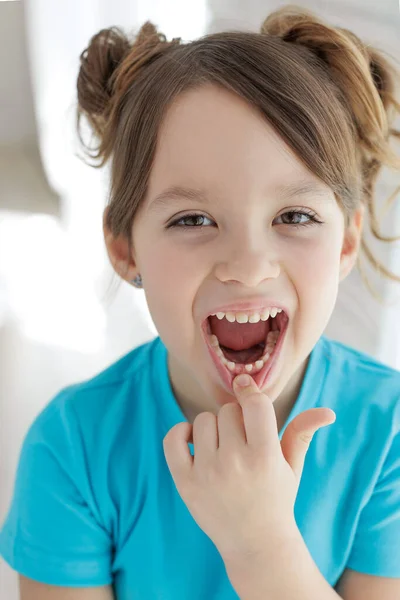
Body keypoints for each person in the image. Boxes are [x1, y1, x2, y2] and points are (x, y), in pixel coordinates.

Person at [1, 4, 400, 600]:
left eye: (294, 216)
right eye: (193, 218)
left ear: (344, 240)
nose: (246, 266)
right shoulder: (72, 446)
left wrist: (261, 546)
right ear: (124, 248)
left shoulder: (388, 433)